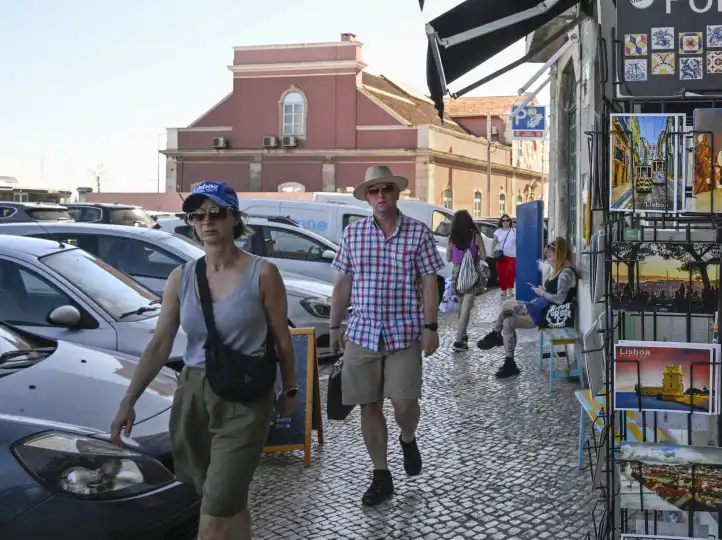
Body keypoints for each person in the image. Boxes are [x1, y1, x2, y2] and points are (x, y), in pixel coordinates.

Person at [109, 181, 299, 540]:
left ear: (234, 219)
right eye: (197, 215)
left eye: (216, 213)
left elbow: (282, 338)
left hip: (244, 400)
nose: (206, 221)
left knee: (214, 513)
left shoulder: (264, 273)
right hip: (193, 396)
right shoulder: (181, 277)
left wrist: (289, 388)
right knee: (225, 500)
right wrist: (128, 400)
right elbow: (160, 343)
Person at [327, 165, 445, 507]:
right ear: (367, 197)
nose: (381, 196)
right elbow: (343, 283)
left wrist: (431, 326)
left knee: (405, 402)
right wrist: (335, 327)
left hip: (404, 332)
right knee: (369, 404)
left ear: (397, 193)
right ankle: (381, 474)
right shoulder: (354, 234)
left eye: (387, 189)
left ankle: (408, 437)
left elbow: (428, 282)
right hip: (362, 332)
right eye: (374, 191)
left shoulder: (418, 233)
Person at [477, 237, 579, 379]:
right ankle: (509, 362)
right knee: (507, 320)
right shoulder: (560, 268)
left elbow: (560, 299)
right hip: (542, 307)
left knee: (507, 306)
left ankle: (495, 335)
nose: (548, 259)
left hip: (552, 315)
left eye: (550, 256)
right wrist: (542, 291)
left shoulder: (566, 272)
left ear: (559, 254)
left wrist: (541, 292)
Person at [447, 210, 487, 352]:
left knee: (461, 307)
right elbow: (483, 255)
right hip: (471, 274)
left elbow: (448, 258)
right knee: (465, 309)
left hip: (457, 274)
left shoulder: (452, 237)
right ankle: (458, 341)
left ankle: (463, 336)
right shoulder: (475, 236)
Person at [490, 214, 517, 297]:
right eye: (503, 220)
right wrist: (492, 251)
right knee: (501, 273)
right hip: (501, 256)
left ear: (510, 221)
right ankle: (503, 289)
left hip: (512, 255)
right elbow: (494, 242)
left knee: (510, 272)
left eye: (507, 220)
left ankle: (510, 289)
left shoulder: (514, 230)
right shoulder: (498, 231)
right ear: (501, 222)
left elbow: (519, 242)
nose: (505, 222)